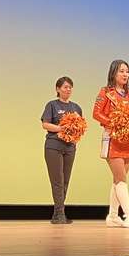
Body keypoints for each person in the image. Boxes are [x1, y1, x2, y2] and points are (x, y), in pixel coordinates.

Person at [92, 59, 129, 228]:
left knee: (117, 180)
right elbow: (96, 113)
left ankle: (112, 216)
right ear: (113, 73)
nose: (125, 74)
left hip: (127, 140)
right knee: (121, 179)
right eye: (121, 71)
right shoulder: (105, 92)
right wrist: (114, 123)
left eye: (127, 71)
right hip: (112, 139)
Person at [40, 76, 84, 224]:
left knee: (65, 180)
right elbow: (45, 124)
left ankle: (57, 214)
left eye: (70, 87)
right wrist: (61, 128)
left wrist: (75, 133)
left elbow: (80, 127)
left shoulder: (76, 108)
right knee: (57, 180)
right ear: (58, 89)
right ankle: (60, 213)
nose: (68, 89)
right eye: (65, 87)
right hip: (54, 146)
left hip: (70, 147)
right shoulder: (52, 105)